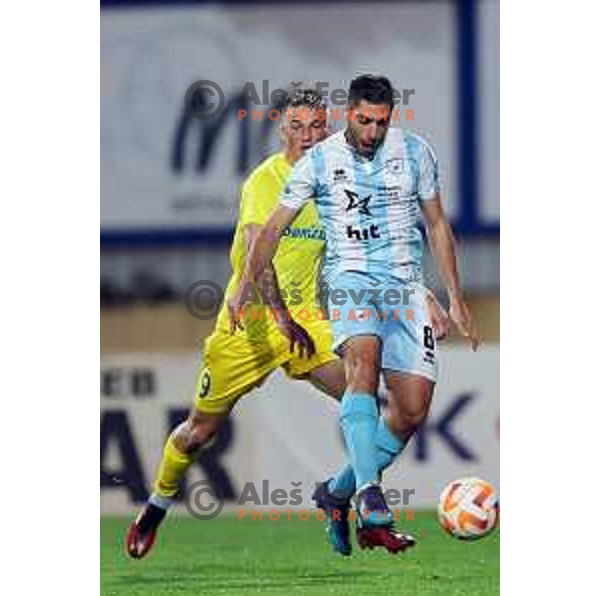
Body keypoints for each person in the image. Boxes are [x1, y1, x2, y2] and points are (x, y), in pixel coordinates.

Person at [127, 88, 448, 559]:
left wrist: (421, 293)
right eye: (297, 127)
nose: (308, 135)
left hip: (308, 321)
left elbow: (376, 245)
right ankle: (155, 506)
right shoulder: (266, 180)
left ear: (328, 126)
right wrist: (280, 318)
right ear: (282, 129)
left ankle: (350, 501)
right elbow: (262, 253)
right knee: (198, 432)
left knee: (374, 407)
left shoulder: (338, 178)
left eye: (317, 125)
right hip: (251, 323)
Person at [229, 75, 479, 553]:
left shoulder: (416, 153)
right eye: (364, 120)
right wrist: (245, 285)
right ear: (349, 114)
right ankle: (371, 499)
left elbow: (438, 224)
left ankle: (336, 492)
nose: (372, 131)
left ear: (391, 117)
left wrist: (454, 297)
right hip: (351, 283)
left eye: (381, 122)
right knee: (362, 368)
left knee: (410, 412)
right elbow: (272, 231)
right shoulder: (320, 162)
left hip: (405, 288)